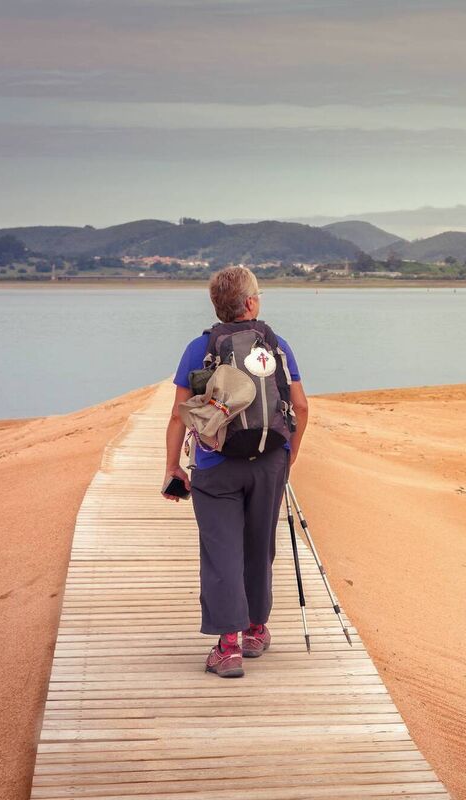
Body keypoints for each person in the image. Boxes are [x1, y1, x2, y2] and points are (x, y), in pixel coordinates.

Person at [162, 266, 309, 678]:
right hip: (269, 462)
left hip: (215, 465)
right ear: (250, 303)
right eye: (257, 294)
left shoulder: (199, 348)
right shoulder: (278, 346)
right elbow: (301, 408)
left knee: (221, 551)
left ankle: (228, 648)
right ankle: (256, 630)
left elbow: (179, 416)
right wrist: (287, 458)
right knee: (260, 545)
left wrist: (173, 466)